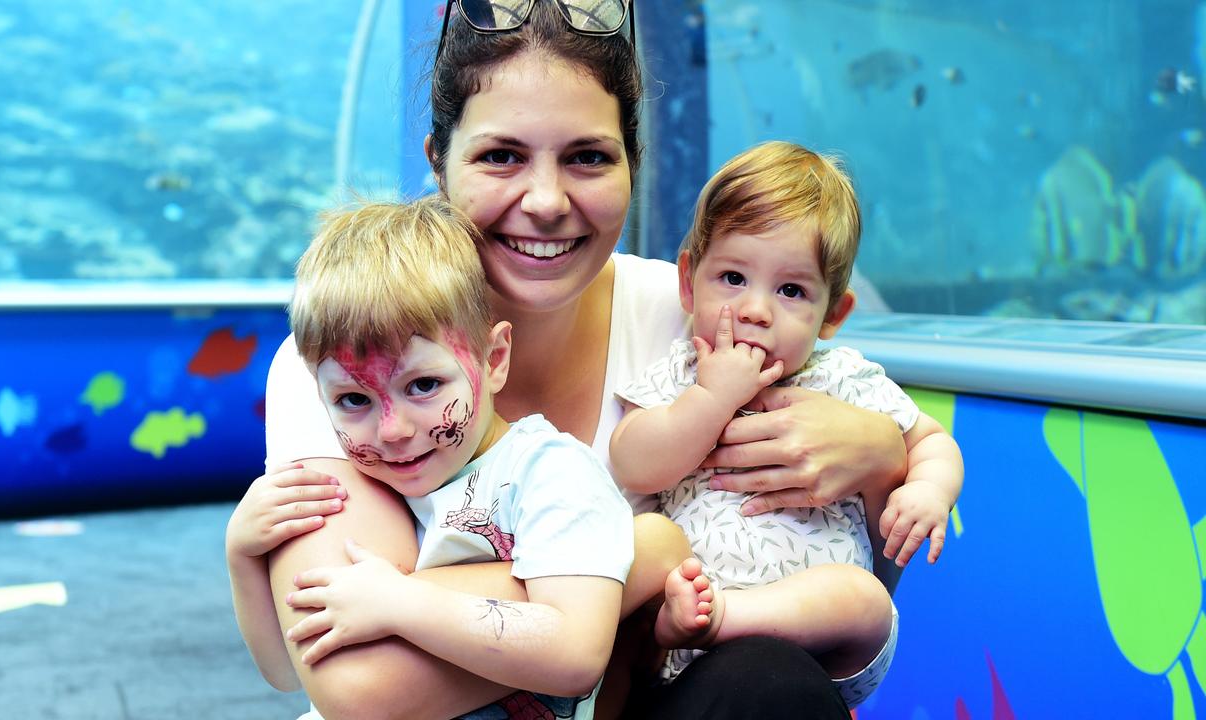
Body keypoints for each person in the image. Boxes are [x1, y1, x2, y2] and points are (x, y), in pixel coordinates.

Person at [230, 2, 910, 718]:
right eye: (502, 156)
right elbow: (360, 687)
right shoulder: (348, 358)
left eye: (587, 156)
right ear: (438, 161)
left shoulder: (709, 314)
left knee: (768, 681)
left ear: (633, 164)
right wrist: (638, 558)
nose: (547, 201)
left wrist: (879, 458)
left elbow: (848, 605)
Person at [609, 140, 965, 709]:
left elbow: (929, 439)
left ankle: (726, 619)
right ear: (687, 282)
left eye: (791, 290)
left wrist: (929, 488)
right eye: (731, 277)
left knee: (863, 598)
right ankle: (706, 616)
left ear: (833, 315)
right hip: (690, 632)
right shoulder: (681, 373)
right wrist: (709, 397)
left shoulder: (843, 378)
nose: (755, 309)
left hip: (819, 637)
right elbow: (632, 460)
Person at [267, 196, 645, 719]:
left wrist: (400, 601)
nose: (393, 431)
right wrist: (242, 556)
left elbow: (576, 653)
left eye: (423, 385)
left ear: (494, 360)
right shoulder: (367, 485)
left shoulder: (550, 473)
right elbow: (286, 671)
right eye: (354, 399)